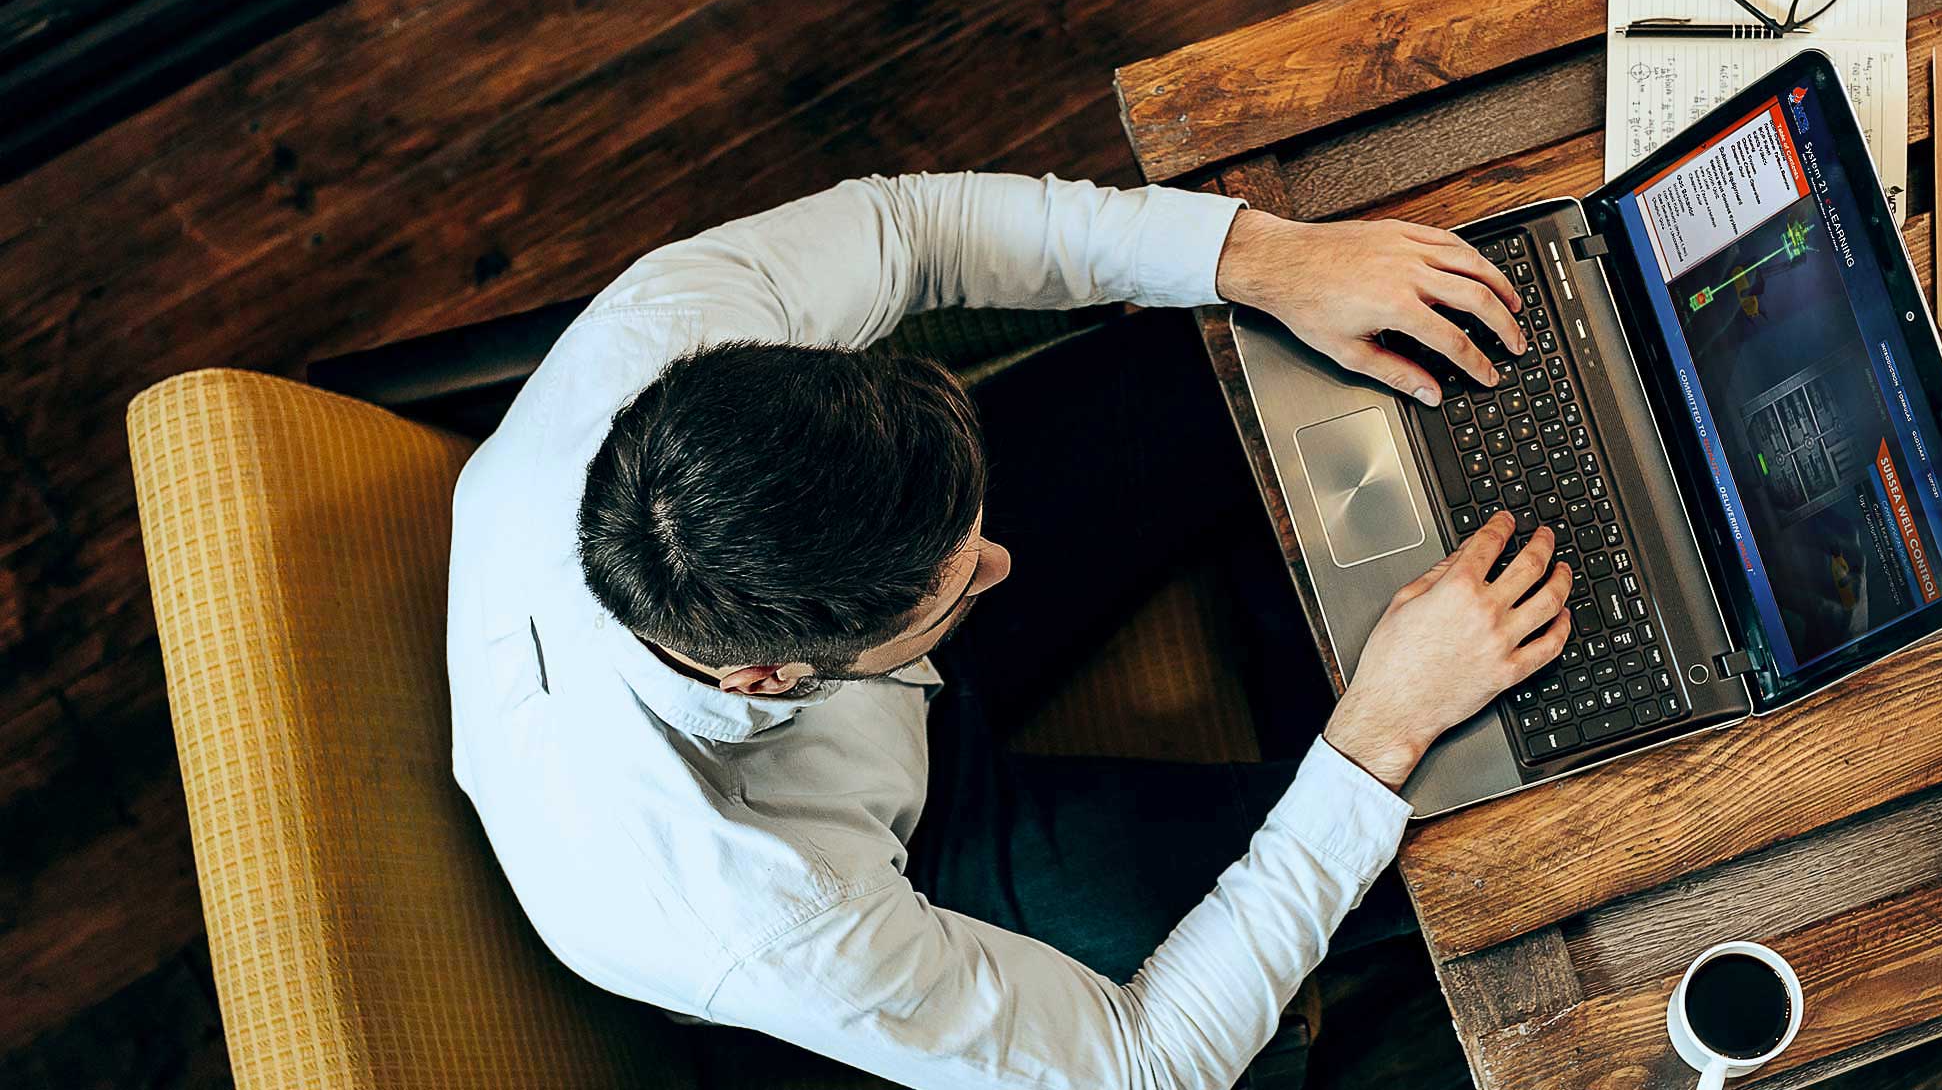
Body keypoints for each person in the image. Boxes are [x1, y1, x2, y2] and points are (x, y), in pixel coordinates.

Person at [447, 172, 1572, 1090]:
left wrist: (1263, 256)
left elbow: (911, 227)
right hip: (910, 859)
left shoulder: (674, 332)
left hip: (848, 650)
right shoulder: (777, 914)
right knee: (1453, 805)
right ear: (767, 676)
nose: (1005, 564)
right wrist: (1377, 732)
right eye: (959, 584)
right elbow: (1147, 1059)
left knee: (1212, 353)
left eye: (974, 532)